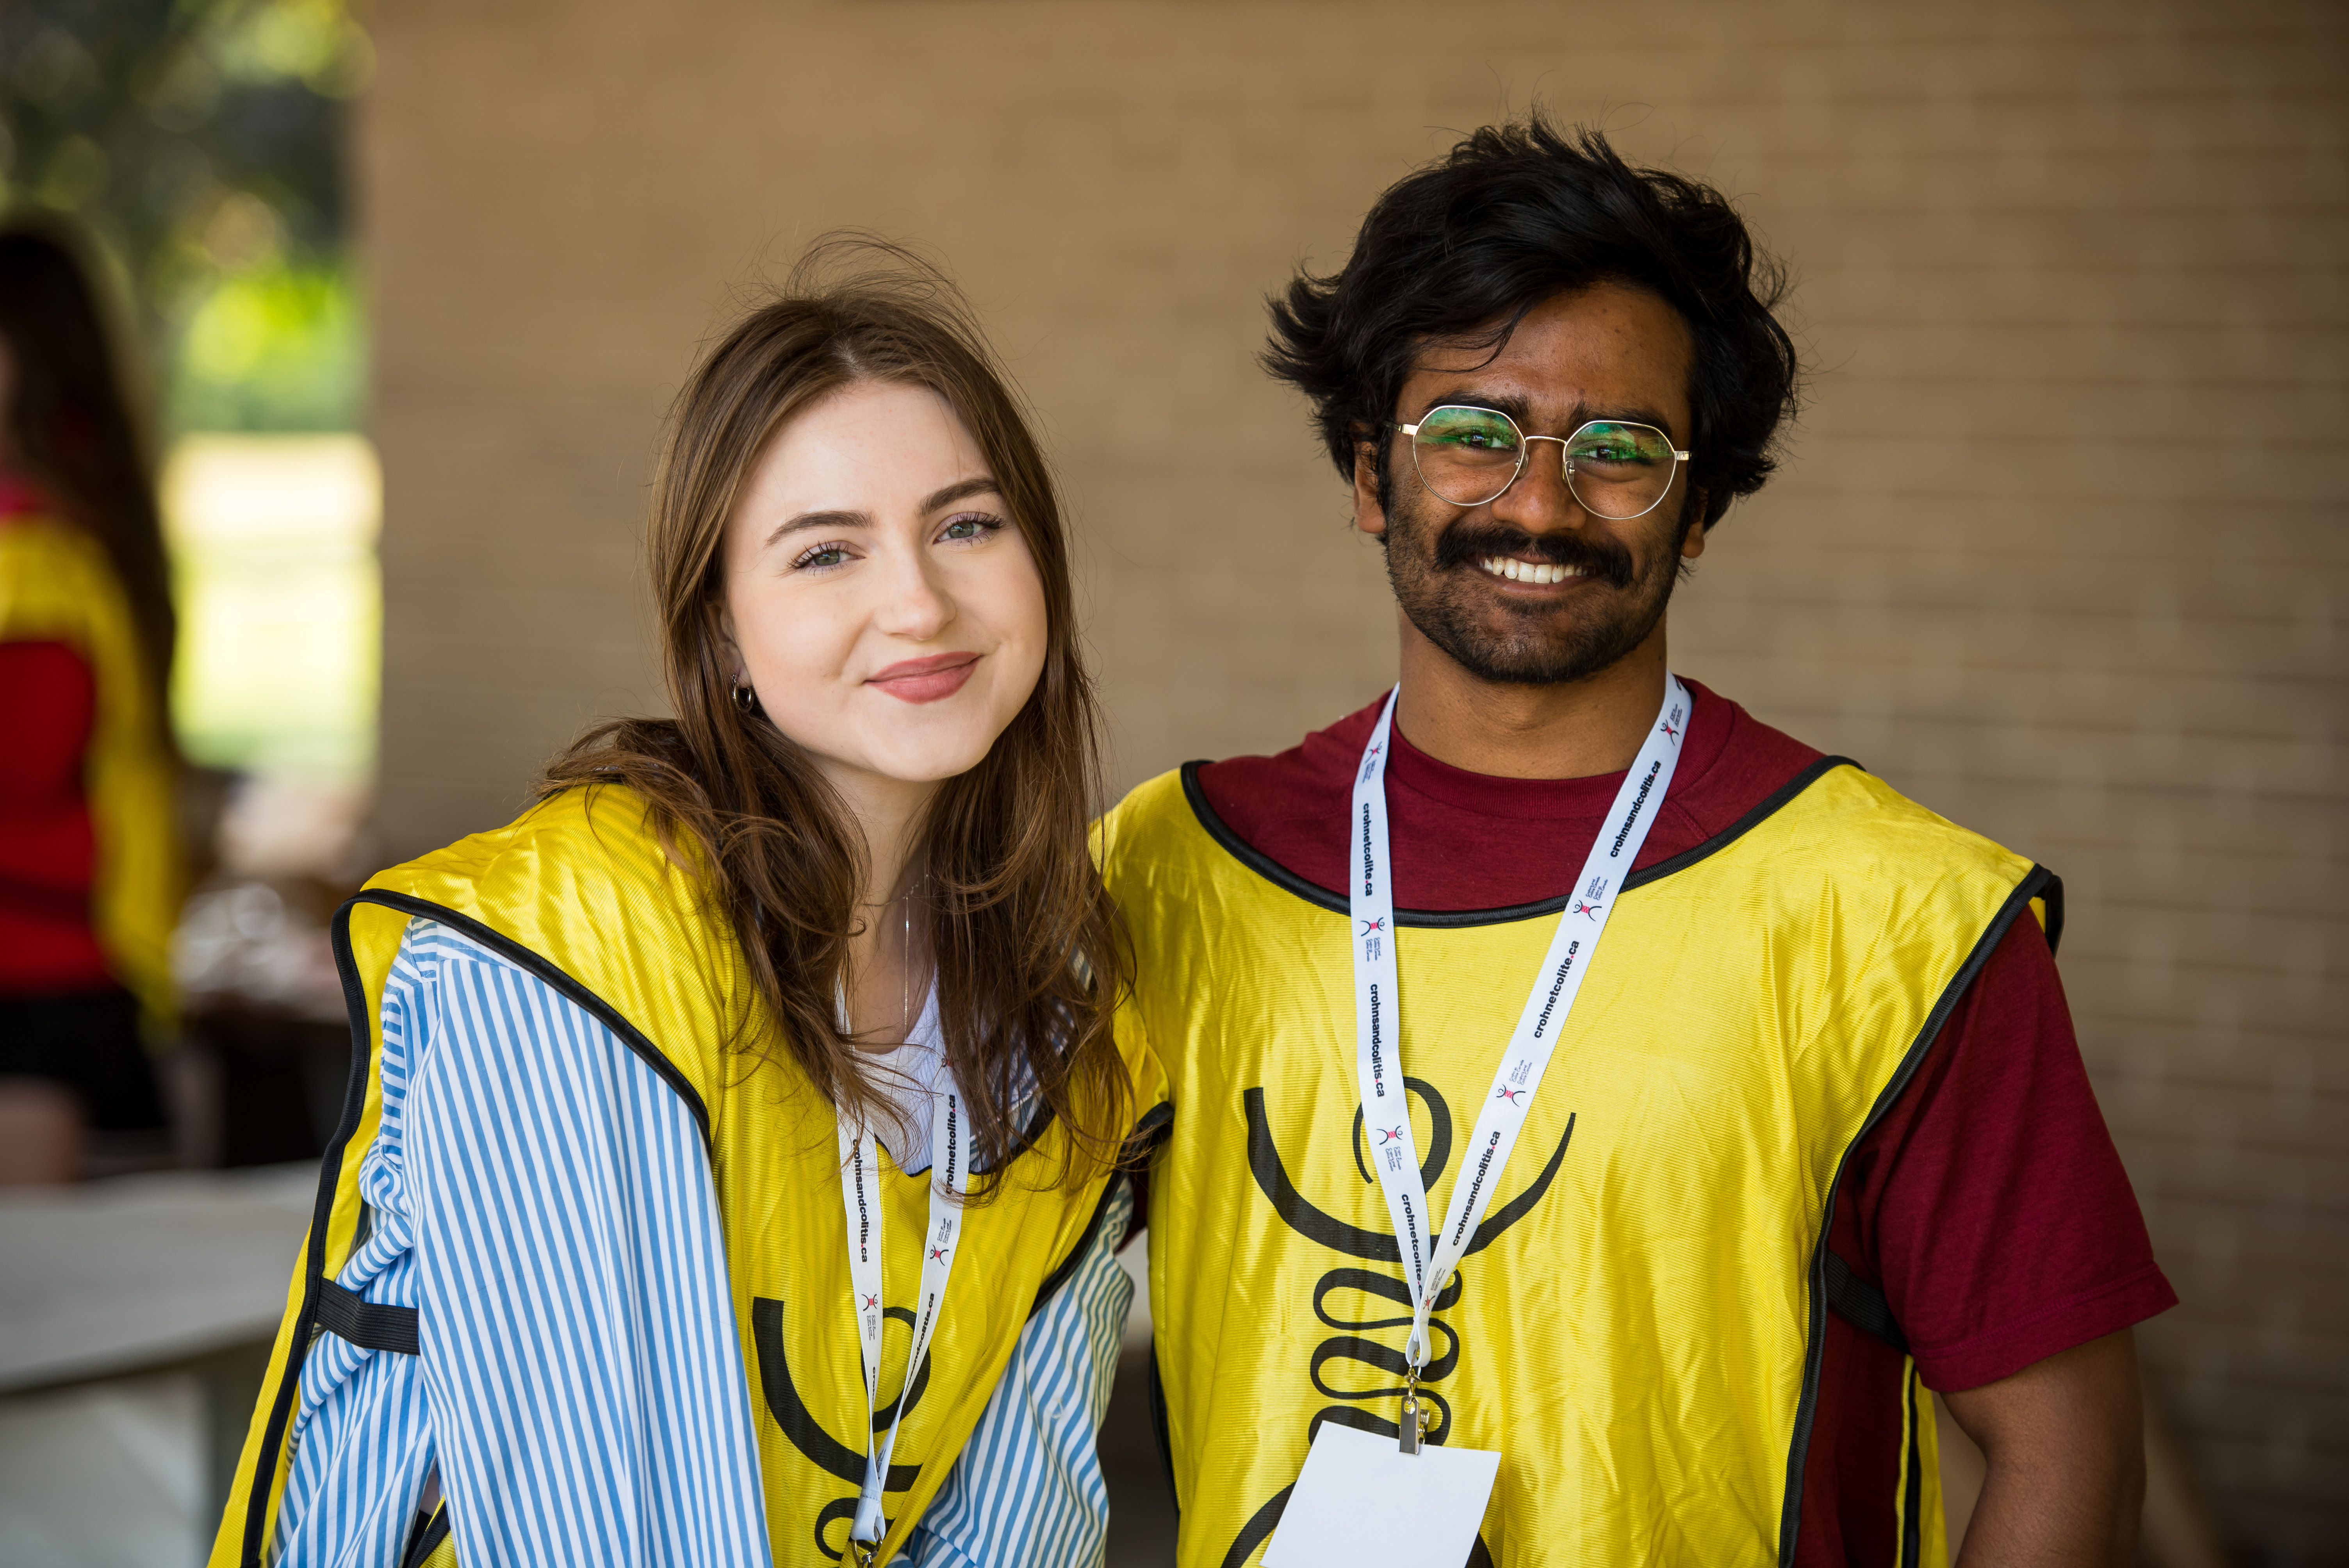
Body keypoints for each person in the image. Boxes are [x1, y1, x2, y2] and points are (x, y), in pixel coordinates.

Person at [1101, 119, 2172, 1567]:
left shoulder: (1897, 917)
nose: (1538, 502)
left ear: (1700, 510)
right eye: (1474, 433)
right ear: (1369, 478)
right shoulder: (1173, 865)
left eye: (1621, 451)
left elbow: (2069, 1454)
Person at [215, 250, 1168, 1568]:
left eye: (965, 524)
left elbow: (1020, 1518)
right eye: (827, 550)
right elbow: (599, 1534)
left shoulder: (1057, 999)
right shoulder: (570, 949)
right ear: (720, 632)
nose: (918, 601)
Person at [0, 222, 182, 1184]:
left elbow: (22, 769)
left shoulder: (37, 556)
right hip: (87, 965)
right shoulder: (95, 523)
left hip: (39, 981)